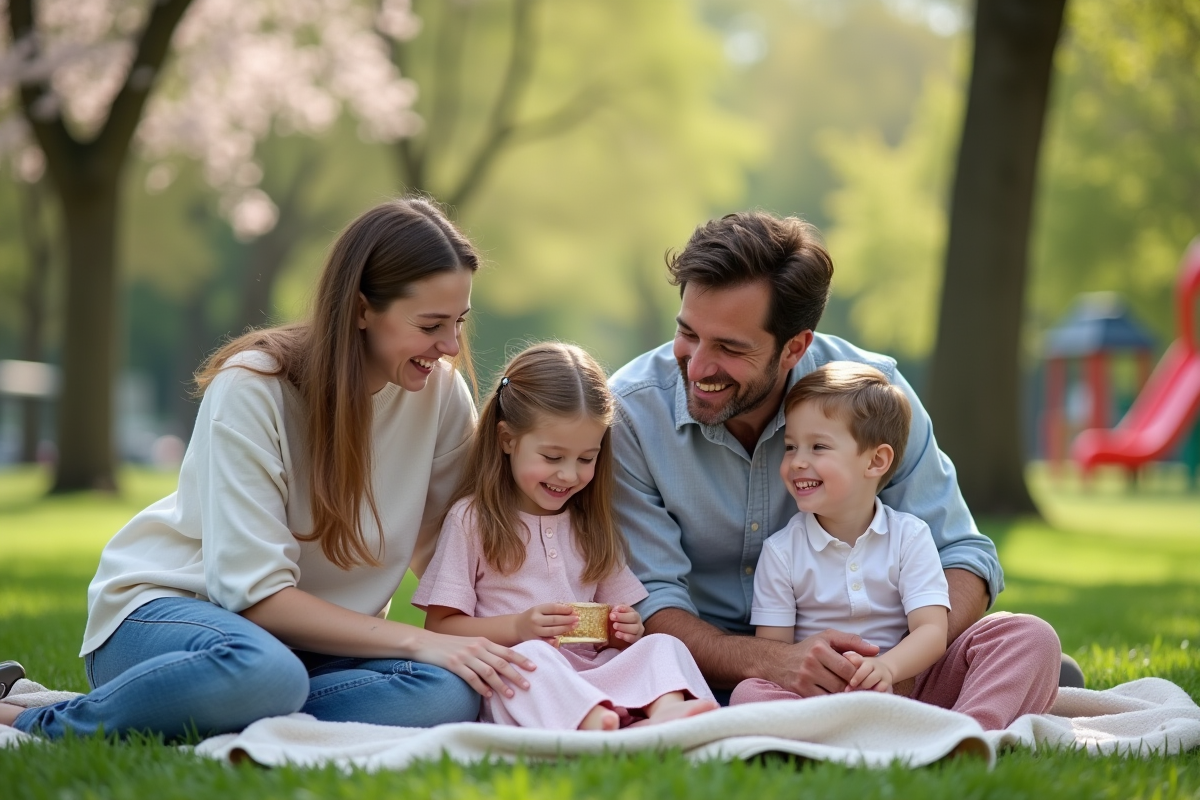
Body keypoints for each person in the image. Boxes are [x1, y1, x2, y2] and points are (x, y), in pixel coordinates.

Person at [0, 198, 537, 740]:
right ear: (360, 309)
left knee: (451, 689)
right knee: (265, 671)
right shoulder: (253, 387)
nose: (450, 346)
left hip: (309, 649)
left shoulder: (440, 395)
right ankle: (36, 719)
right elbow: (255, 596)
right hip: (172, 614)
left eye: (459, 322)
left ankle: (205, 705)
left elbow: (451, 548)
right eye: (431, 325)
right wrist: (418, 640)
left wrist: (535, 618)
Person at [609, 211, 1073, 722]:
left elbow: (963, 556)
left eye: (730, 347)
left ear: (795, 347)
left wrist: (895, 668)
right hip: (724, 674)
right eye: (688, 333)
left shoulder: (875, 397)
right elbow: (652, 601)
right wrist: (774, 662)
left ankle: (963, 736)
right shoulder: (630, 414)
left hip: (892, 662)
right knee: (719, 687)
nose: (697, 366)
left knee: (1027, 639)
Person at [731, 363, 1058, 728]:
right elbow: (777, 655)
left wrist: (887, 668)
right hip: (822, 698)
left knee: (1031, 635)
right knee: (750, 692)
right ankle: (844, 738)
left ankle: (967, 732)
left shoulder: (909, 537)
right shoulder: (781, 551)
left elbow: (931, 631)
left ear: (876, 461)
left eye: (818, 446)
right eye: (790, 447)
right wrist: (823, 678)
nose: (797, 462)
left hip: (912, 685)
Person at [413, 342, 718, 731]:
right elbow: (440, 628)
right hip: (524, 679)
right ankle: (594, 725)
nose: (569, 475)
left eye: (586, 459)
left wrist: (623, 630)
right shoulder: (472, 520)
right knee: (533, 656)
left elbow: (615, 628)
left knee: (664, 644)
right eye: (553, 458)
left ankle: (664, 714)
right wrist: (517, 628)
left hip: (591, 671)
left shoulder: (589, 525)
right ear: (507, 440)